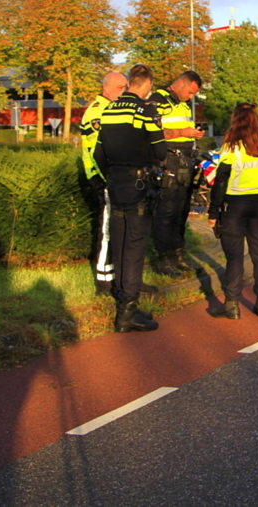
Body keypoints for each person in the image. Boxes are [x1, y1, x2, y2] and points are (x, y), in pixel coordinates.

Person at [94, 64, 167, 333]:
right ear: (146, 83)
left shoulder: (108, 110)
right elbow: (160, 152)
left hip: (115, 184)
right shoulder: (146, 110)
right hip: (139, 186)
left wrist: (112, 176)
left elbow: (98, 155)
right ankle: (127, 312)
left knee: (121, 243)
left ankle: (125, 301)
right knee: (135, 248)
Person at [207, 102, 258, 319]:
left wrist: (213, 213)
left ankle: (231, 304)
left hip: (234, 206)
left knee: (235, 257)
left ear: (236, 122)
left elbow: (220, 183)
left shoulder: (231, 148)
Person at [150, 71, 206, 277]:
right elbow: (151, 131)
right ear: (180, 84)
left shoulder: (181, 104)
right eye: (190, 92)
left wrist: (193, 134)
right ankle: (164, 260)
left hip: (184, 162)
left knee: (181, 211)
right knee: (166, 212)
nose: (190, 97)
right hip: (168, 162)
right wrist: (182, 133)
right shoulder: (158, 100)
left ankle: (178, 256)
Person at [79, 71, 128, 295]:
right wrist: (104, 177)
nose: (124, 92)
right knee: (107, 230)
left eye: (126, 87)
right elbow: (97, 150)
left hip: (114, 176)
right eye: (120, 88)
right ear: (106, 88)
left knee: (119, 229)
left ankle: (121, 278)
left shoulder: (112, 109)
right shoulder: (98, 112)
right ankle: (104, 283)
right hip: (102, 176)